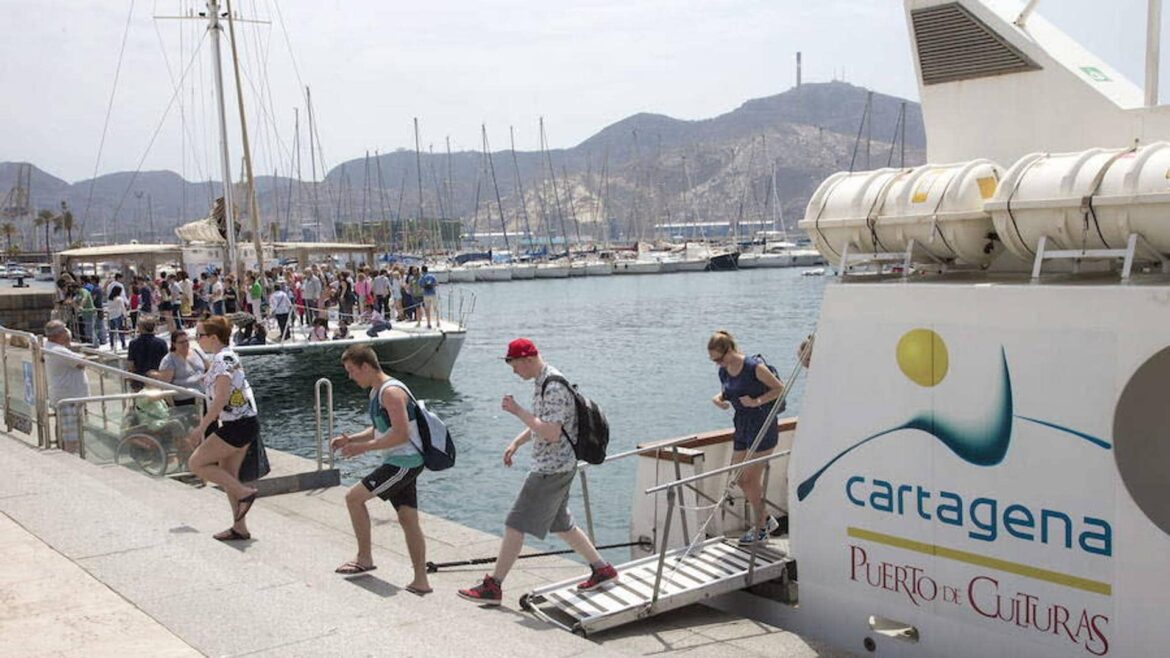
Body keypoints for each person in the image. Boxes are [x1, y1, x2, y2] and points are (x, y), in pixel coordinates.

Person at [458, 338, 617, 605]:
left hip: (550, 468)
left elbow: (552, 433)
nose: (513, 371)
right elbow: (543, 423)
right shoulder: (543, 382)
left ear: (528, 359)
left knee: (515, 523)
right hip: (559, 466)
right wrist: (517, 443)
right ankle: (602, 569)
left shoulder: (553, 386)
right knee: (562, 525)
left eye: (514, 364)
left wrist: (517, 410)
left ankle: (493, 586)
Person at [327, 345, 431, 593]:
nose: (350, 377)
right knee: (408, 519)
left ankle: (364, 558)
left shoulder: (391, 392)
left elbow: (401, 434)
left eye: (352, 371)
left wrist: (364, 449)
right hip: (401, 462)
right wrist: (351, 439)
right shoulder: (376, 391)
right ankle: (421, 581)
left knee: (353, 498)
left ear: (366, 366)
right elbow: (380, 429)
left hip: (403, 463)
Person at [186, 316, 261, 542]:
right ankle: (240, 527)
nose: (196, 340)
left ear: (213, 337)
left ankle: (244, 493)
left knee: (196, 463)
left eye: (199, 335)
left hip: (237, 425)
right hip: (243, 422)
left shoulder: (221, 360)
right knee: (228, 475)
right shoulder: (227, 356)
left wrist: (201, 428)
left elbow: (221, 399)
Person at [708, 330, 786, 545]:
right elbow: (726, 392)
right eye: (713, 360)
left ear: (730, 350)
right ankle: (766, 520)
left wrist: (758, 400)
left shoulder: (753, 367)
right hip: (741, 426)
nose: (717, 364)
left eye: (719, 358)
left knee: (750, 479)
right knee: (739, 477)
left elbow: (779, 388)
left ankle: (761, 528)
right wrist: (718, 399)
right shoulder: (724, 371)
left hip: (762, 424)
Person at [43, 320, 90, 453]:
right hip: (68, 399)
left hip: (67, 397)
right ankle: (68, 458)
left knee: (67, 431)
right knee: (71, 436)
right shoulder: (58, 350)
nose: (67, 333)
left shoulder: (52, 347)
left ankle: (66, 453)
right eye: (64, 330)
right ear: (57, 335)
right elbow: (82, 363)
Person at [150, 330, 207, 407]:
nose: (185, 344)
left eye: (186, 341)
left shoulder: (197, 351)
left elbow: (210, 369)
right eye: (181, 342)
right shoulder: (169, 360)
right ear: (174, 344)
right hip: (185, 400)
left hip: (204, 395)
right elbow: (165, 385)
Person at [127, 316, 168, 392]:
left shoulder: (133, 343)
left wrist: (131, 379)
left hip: (139, 381)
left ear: (140, 328)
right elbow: (166, 364)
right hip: (157, 380)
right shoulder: (162, 343)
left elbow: (131, 365)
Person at [106, 273, 129, 350]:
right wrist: (126, 314)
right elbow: (123, 305)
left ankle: (112, 345)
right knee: (120, 330)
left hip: (111, 315)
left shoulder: (109, 297)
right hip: (118, 314)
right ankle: (123, 344)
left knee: (111, 331)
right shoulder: (119, 297)